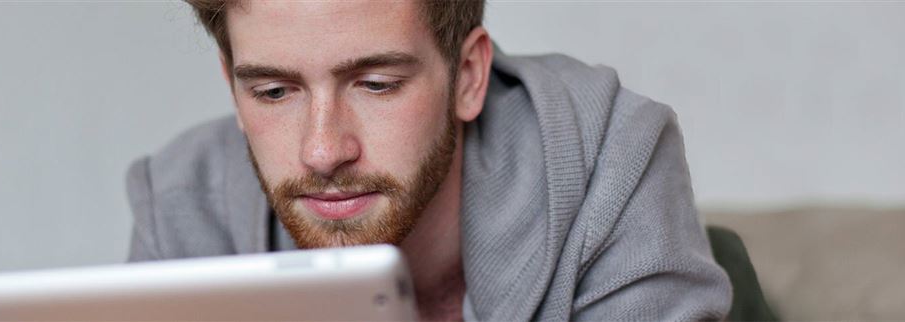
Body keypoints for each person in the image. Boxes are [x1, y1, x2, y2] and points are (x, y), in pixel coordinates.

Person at [125, 0, 732, 320]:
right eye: (274, 92)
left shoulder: (611, 155)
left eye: (377, 84)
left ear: (468, 76)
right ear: (232, 83)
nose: (322, 151)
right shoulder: (181, 209)